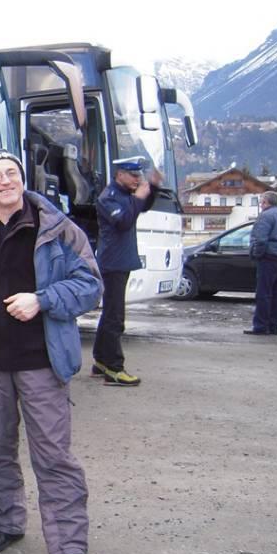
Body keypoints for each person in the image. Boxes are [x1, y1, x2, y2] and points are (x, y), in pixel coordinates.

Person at [0, 150, 103, 554]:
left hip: (42, 361)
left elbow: (91, 286)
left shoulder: (60, 231)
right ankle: (7, 522)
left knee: (54, 456)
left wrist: (43, 300)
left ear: (23, 180)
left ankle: (69, 544)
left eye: (12, 173)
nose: (5, 181)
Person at [92, 156, 161, 386]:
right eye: (133, 175)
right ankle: (114, 368)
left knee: (110, 313)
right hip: (113, 264)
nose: (137, 179)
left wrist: (153, 187)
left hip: (120, 262)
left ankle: (101, 360)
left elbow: (142, 206)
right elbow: (123, 221)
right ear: (119, 174)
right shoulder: (109, 198)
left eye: (139, 175)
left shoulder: (124, 196)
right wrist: (139, 196)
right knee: (115, 317)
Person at [245, 191, 277, 335]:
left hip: (269, 258)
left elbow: (260, 239)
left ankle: (261, 326)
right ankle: (274, 326)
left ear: (266, 203)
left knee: (264, 293)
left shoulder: (265, 216)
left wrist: (257, 255)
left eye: (261, 202)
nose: (261, 205)